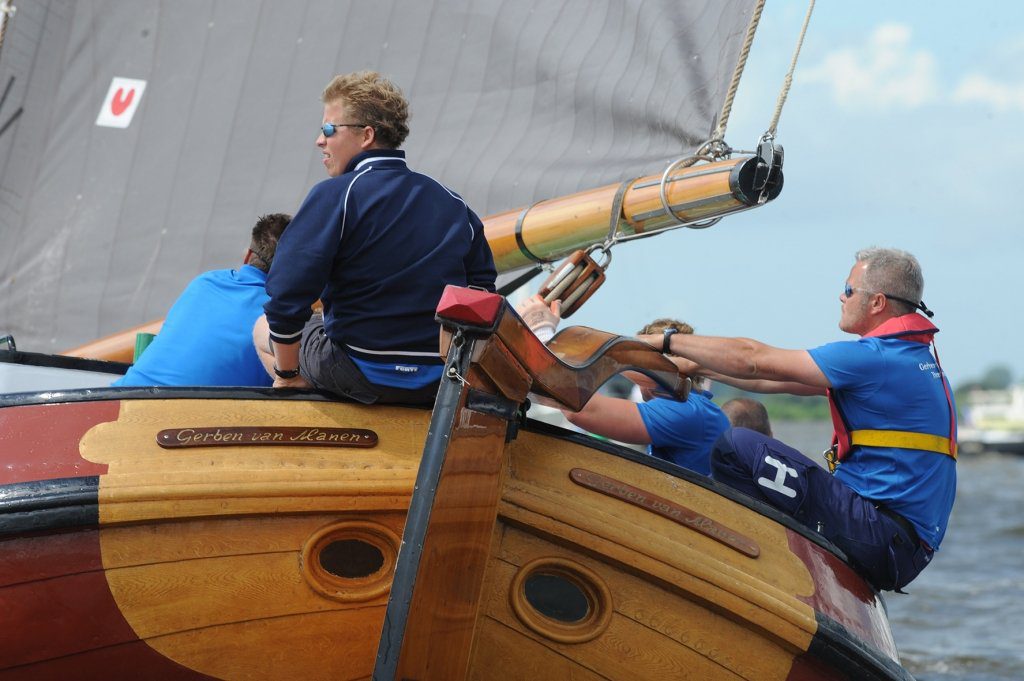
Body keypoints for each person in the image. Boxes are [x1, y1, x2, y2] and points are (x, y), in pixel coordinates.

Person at [640, 247, 956, 591]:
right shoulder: (912, 357)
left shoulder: (874, 359)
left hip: (881, 537)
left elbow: (753, 360)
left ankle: (747, 565)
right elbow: (769, 379)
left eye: (849, 290)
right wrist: (695, 366)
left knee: (736, 445)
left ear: (878, 302)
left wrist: (667, 341)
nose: (841, 296)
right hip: (899, 548)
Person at [254, 71, 496, 404]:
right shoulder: (454, 204)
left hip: (359, 374)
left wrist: (288, 374)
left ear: (366, 135)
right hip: (437, 384)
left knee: (261, 327)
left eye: (328, 129)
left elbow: (285, 297)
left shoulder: (336, 195)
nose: (319, 140)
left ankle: (298, 396)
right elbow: (482, 293)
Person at [516, 295, 729, 475]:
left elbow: (581, 409)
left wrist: (541, 332)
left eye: (637, 365)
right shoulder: (698, 410)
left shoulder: (688, 411)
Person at [113, 213, 292, 387]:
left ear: (247, 257)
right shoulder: (286, 319)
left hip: (120, 398)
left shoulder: (204, 282)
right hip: (186, 415)